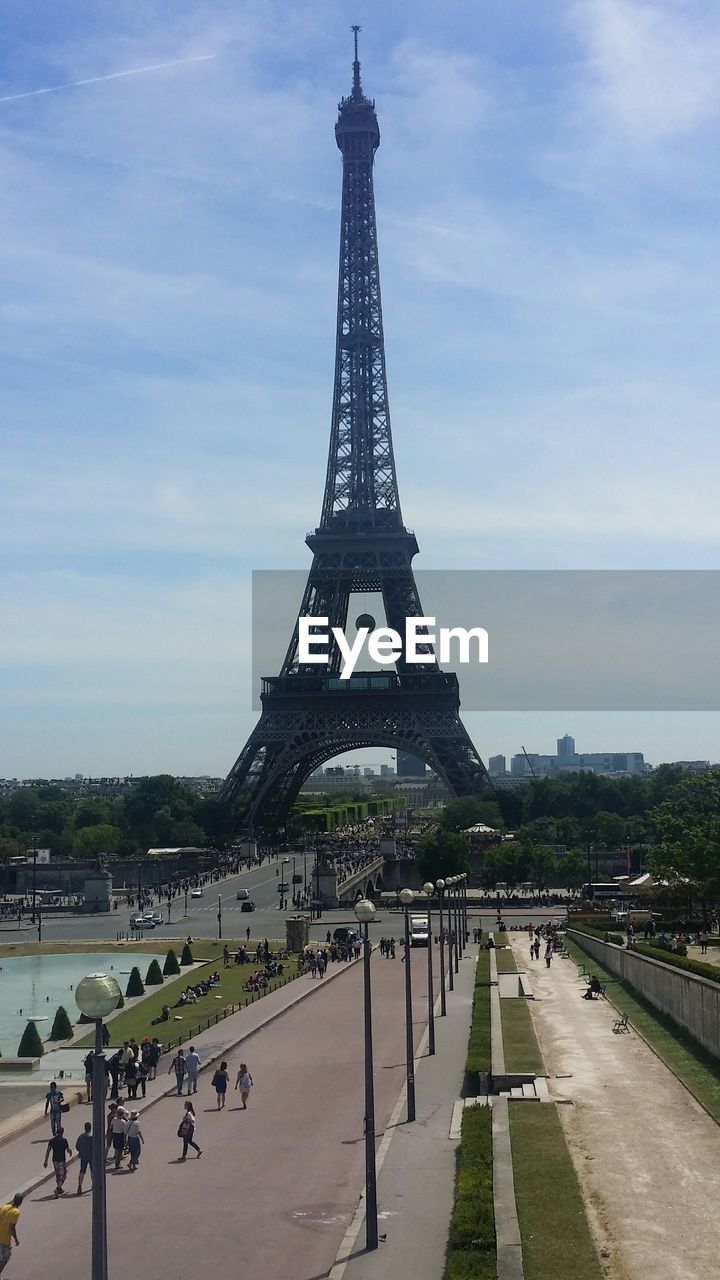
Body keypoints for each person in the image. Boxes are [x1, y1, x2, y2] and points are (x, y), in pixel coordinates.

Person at [44, 1126, 71, 1196]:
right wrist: (70, 1152)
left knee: (58, 1175)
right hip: (61, 1160)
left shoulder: (52, 1140)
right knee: (63, 1175)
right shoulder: (64, 1140)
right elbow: (67, 1149)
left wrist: (46, 1161)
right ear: (62, 1133)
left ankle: (59, 1189)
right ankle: (58, 1188)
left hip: (55, 1160)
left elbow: (48, 1150)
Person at [0, 1193, 22, 1277]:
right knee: (5, 1258)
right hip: (4, 1239)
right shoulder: (16, 1212)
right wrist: (16, 1239)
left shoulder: (5, 1206)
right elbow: (12, 1228)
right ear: (20, 1202)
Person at [75, 1122, 93, 1195]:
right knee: (93, 1171)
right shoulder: (93, 1136)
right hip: (92, 1156)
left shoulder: (81, 1136)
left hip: (83, 1156)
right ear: (90, 1128)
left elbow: (77, 1146)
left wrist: (81, 1151)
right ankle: (94, 1184)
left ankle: (79, 1186)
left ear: (84, 1128)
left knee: (82, 1171)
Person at [110, 1106, 129, 1170]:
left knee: (117, 1149)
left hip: (115, 1135)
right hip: (120, 1135)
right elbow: (125, 1131)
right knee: (120, 1151)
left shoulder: (114, 1119)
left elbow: (111, 1126)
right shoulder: (123, 1122)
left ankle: (117, 1162)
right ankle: (117, 1164)